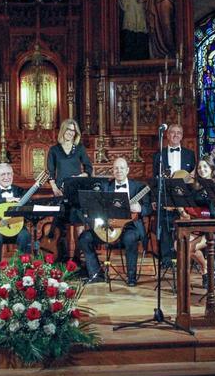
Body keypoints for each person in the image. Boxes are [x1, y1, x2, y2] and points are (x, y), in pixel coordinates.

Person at [77, 158, 151, 287]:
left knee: (131, 238)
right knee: (85, 237)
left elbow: (148, 208)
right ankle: (96, 274)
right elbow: (95, 205)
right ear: (113, 171)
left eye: (122, 168)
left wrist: (140, 209)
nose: (119, 171)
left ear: (127, 170)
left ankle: (131, 277)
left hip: (130, 227)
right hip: (108, 226)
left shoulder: (139, 187)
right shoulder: (106, 186)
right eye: (116, 168)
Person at [47, 118, 93, 262]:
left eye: (73, 130)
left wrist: (81, 176)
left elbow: (89, 169)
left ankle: (78, 260)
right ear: (63, 130)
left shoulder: (79, 148)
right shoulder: (54, 150)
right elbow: (50, 171)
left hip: (76, 191)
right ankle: (64, 259)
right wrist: (54, 188)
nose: (71, 133)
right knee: (63, 228)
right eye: (68, 129)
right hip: (61, 192)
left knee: (79, 226)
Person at [182, 157, 215, 289]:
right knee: (179, 244)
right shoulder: (197, 188)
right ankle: (208, 268)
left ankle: (205, 270)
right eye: (199, 168)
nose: (202, 170)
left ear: (211, 168)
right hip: (200, 228)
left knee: (189, 247)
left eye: (205, 167)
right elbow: (190, 208)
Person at [152, 123, 196, 265]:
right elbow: (154, 179)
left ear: (182, 136)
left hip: (184, 198)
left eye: (179, 133)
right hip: (165, 196)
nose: (176, 135)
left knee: (183, 226)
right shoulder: (159, 155)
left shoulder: (190, 155)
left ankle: (184, 257)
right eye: (173, 132)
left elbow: (193, 179)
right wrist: (154, 198)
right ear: (167, 135)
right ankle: (165, 259)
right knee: (164, 225)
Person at [0, 163, 33, 276]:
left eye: (9, 174)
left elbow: (28, 211)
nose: (7, 177)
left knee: (25, 236)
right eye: (3, 174)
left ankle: (22, 273)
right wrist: (5, 199)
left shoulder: (20, 191)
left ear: (13, 175)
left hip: (14, 225)